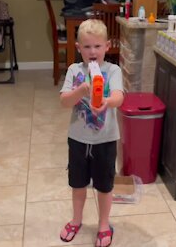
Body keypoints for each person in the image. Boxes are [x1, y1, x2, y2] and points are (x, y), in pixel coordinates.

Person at [59, 19, 124, 247]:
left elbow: (119, 96)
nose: (92, 51)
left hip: (105, 140)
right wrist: (82, 89)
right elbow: (64, 102)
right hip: (78, 139)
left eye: (97, 46)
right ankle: (77, 220)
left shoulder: (113, 70)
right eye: (87, 47)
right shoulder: (74, 70)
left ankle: (104, 224)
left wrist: (107, 101)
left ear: (107, 46)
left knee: (104, 186)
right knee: (77, 184)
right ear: (79, 49)